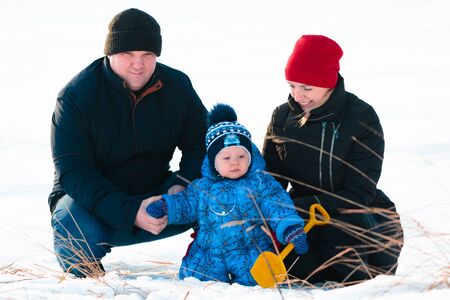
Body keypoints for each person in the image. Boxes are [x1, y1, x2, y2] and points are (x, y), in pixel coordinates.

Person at [48, 8, 208, 278]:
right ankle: (88, 284)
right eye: (127, 54)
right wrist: (131, 211)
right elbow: (75, 173)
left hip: (157, 194)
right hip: (93, 203)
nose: (138, 64)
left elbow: (202, 144)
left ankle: (212, 262)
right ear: (109, 53)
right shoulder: (76, 97)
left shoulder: (178, 86)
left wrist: (183, 183)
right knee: (71, 219)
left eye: (147, 55)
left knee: (224, 194)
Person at [262, 35, 404, 285]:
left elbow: (359, 191)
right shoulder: (282, 116)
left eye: (307, 88)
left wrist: (303, 206)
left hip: (353, 217)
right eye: (292, 85)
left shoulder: (361, 117)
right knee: (293, 265)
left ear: (328, 83)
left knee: (346, 264)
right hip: (300, 220)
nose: (298, 95)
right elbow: (271, 180)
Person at [146, 103, 309, 286]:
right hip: (209, 252)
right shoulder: (202, 187)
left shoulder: (261, 184)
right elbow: (186, 204)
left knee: (257, 285)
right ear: (213, 161)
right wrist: (166, 206)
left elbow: (278, 206)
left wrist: (290, 229)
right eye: (226, 158)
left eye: (241, 156)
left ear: (251, 157)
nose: (235, 163)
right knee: (196, 282)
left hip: (251, 251)